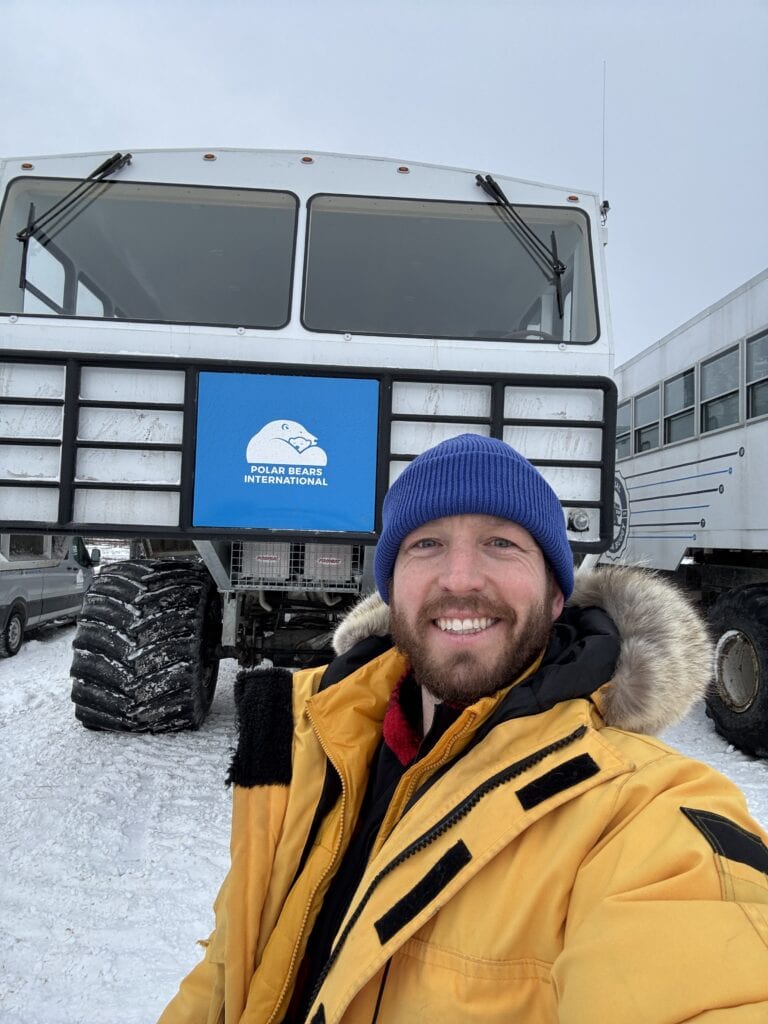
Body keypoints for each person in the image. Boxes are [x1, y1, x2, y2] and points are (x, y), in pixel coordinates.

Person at [159, 434, 768, 1023]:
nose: (460, 579)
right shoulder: (309, 740)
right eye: (426, 545)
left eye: (501, 543)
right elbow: (229, 966)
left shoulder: (641, 809)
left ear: (557, 594)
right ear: (390, 589)